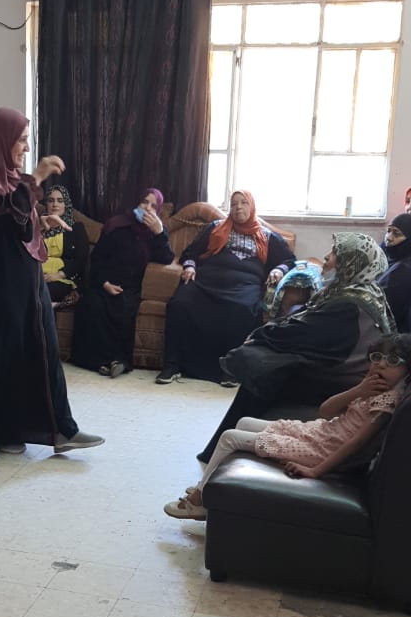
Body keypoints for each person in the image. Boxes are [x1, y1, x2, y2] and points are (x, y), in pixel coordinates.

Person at [0, 107, 104, 463]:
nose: (25, 147)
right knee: (6, 357)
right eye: (21, 140)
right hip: (0, 290)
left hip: (23, 284)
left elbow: (13, 222)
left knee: (38, 353)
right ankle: (7, 432)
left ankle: (59, 429)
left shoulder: (5, 177)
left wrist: (40, 222)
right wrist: (36, 177)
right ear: (2, 139)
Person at [196, 232, 394, 464]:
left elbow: (300, 333)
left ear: (352, 263)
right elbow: (307, 326)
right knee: (263, 364)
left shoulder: (348, 305)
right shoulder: (362, 290)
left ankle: (221, 452)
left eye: (335, 254)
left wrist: (260, 333)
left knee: (262, 374)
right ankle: (221, 450)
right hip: (342, 367)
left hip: (342, 380)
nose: (326, 257)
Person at [164, 333, 411, 519]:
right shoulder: (371, 388)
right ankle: (207, 487)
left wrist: (316, 471)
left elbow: (357, 443)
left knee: (230, 436)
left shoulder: (388, 401)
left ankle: (201, 501)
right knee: (244, 422)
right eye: (376, 357)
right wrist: (358, 390)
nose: (380, 364)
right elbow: (325, 411)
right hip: (321, 433)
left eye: (392, 361)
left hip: (323, 450)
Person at [156, 190, 295, 385]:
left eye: (243, 203)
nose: (238, 207)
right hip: (206, 282)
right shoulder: (215, 228)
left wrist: (279, 270)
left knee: (244, 309)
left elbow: (289, 260)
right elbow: (190, 252)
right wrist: (189, 266)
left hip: (243, 286)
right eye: (234, 204)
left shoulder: (267, 236)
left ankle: (230, 369)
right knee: (180, 303)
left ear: (252, 207)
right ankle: (172, 365)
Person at [70, 188, 173, 378]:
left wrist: (159, 233)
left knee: (122, 308)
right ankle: (98, 361)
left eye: (153, 206)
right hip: (103, 282)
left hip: (129, 287)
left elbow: (166, 258)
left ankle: (118, 361)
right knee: (92, 305)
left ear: (158, 211)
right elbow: (97, 258)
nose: (147, 208)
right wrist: (104, 283)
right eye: (144, 202)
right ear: (137, 203)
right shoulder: (116, 225)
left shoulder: (156, 231)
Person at [40, 184, 89, 307]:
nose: (55, 204)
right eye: (51, 200)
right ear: (46, 204)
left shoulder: (76, 228)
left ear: (66, 204)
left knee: (43, 291)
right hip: (36, 275)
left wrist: (58, 275)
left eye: (60, 200)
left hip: (62, 278)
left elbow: (81, 259)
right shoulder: (38, 227)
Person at [379, 214, 411, 333]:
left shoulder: (404, 270)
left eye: (396, 234)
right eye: (388, 231)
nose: (389, 238)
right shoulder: (390, 257)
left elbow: (382, 309)